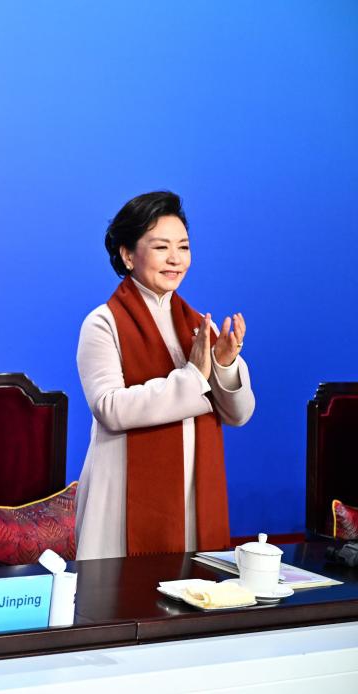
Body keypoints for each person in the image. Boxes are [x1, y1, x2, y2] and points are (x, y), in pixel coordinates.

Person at [74, 191, 255, 560]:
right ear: (127, 255)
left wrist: (223, 364)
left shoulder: (196, 325)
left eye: (183, 247)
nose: (176, 259)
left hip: (193, 496)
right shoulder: (103, 323)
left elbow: (239, 414)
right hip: (124, 497)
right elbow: (110, 407)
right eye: (161, 247)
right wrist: (193, 377)